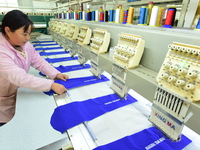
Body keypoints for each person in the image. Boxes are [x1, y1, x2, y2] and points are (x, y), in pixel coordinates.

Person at [0, 10, 69, 126]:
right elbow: (18, 77)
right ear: (8, 30)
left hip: (17, 94)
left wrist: (55, 74)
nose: (28, 38)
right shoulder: (2, 51)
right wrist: (50, 85)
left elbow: (38, 61)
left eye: (29, 34)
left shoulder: (24, 44)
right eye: (24, 34)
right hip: (3, 103)